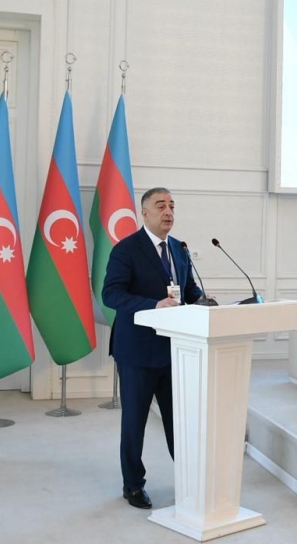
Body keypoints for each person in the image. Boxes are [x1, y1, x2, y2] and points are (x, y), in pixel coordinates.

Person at [102, 187, 203, 509]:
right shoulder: (126, 249)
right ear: (144, 213)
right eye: (161, 206)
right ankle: (133, 485)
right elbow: (111, 294)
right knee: (135, 422)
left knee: (178, 420)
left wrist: (204, 301)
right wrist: (153, 305)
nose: (168, 211)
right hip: (137, 351)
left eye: (172, 205)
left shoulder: (179, 248)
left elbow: (188, 289)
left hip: (175, 349)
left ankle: (189, 478)